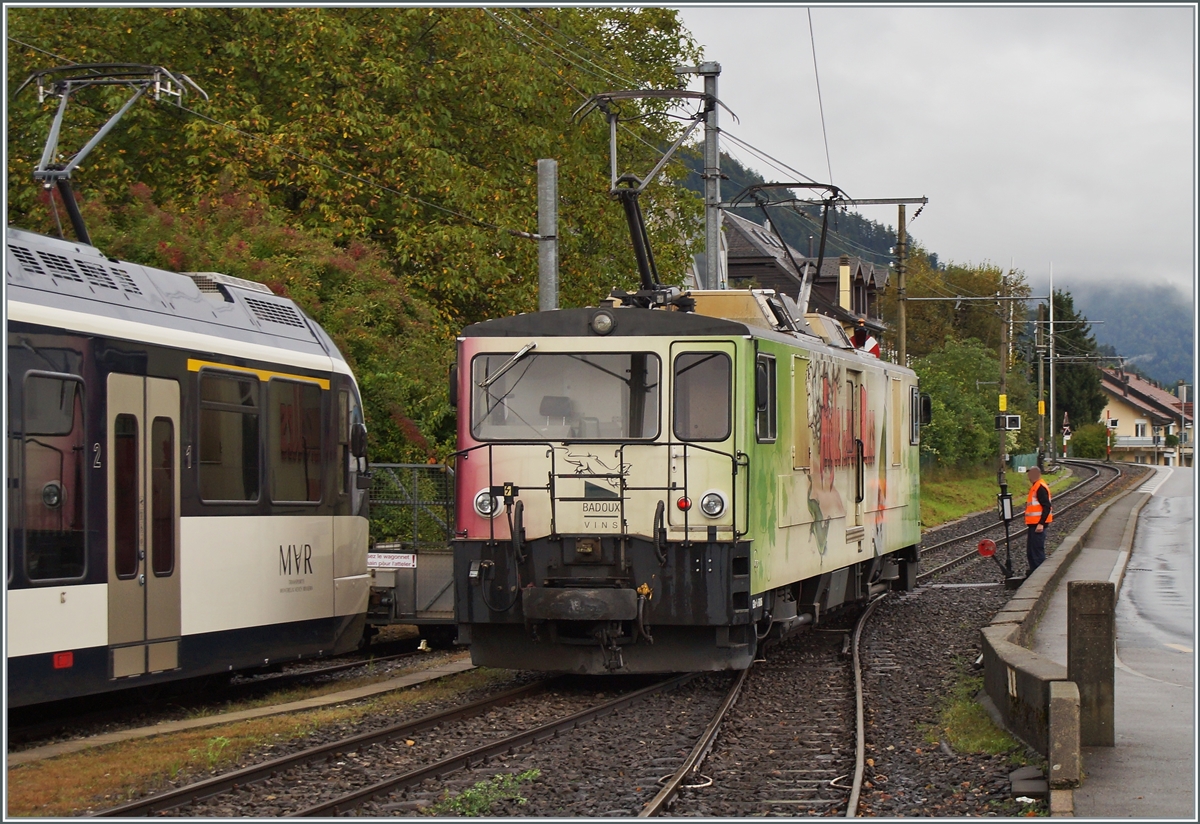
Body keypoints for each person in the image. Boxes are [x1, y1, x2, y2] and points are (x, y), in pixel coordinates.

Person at [1024, 466, 1053, 573]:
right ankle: (1034, 572)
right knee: (1031, 552)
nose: (1029, 476)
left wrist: (1041, 523)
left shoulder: (1040, 487)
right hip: (1033, 525)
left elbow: (1046, 506)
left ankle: (1040, 574)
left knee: (1036, 552)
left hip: (1038, 525)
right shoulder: (1035, 486)